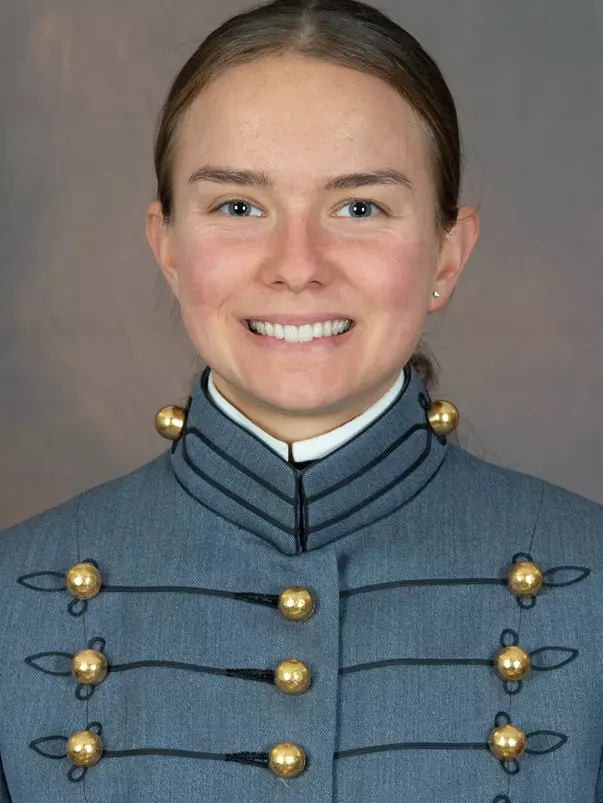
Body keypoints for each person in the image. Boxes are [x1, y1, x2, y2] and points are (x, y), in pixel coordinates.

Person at [0, 0, 601, 800]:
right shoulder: (15, 594)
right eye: (238, 206)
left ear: (446, 257)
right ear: (169, 246)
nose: (296, 265)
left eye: (358, 207)